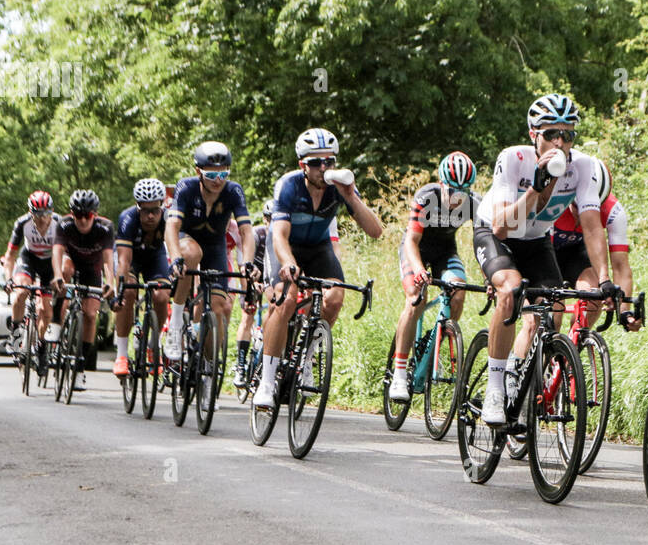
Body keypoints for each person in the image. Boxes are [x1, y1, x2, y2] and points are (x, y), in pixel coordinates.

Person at [473, 94, 614, 426]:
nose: (560, 142)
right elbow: (502, 227)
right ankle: (495, 388)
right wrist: (536, 190)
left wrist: (605, 279)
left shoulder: (582, 167)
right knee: (510, 290)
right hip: (496, 234)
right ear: (533, 134)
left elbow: (593, 228)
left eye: (568, 135)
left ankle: (521, 383)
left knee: (552, 309)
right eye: (552, 134)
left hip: (537, 241)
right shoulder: (514, 159)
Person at [251, 128, 384, 412]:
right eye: (316, 163)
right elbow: (279, 236)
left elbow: (375, 232)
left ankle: (307, 357)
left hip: (318, 248)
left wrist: (351, 196)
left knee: (335, 298)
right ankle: (266, 380)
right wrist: (287, 262)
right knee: (284, 300)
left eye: (330, 162)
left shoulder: (339, 187)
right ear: (303, 166)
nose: (324, 168)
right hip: (288, 247)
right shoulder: (288, 186)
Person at [388, 151, 481, 402]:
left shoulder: (474, 202)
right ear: (442, 185)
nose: (457, 197)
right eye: (452, 191)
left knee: (458, 290)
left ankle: (439, 337)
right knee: (416, 297)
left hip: (445, 252)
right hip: (415, 249)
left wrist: (488, 276)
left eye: (463, 191)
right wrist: (419, 270)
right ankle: (398, 373)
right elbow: (412, 240)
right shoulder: (426, 197)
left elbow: (483, 243)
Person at [163, 141, 257, 362]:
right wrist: (176, 257)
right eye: (212, 175)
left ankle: (206, 364)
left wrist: (249, 263)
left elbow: (246, 232)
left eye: (223, 175)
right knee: (191, 254)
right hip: (186, 239)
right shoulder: (186, 187)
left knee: (217, 306)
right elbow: (172, 226)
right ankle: (176, 325)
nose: (218, 181)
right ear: (198, 172)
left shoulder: (233, 190)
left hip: (215, 245)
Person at [551, 158, 643, 332]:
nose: (586, 215)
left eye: (595, 209)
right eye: (580, 208)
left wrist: (624, 311)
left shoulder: (614, 212)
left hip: (575, 254)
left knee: (594, 295)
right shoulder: (555, 205)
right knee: (553, 311)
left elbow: (621, 267)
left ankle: (572, 350)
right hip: (545, 253)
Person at [50, 189, 116, 390]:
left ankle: (79, 367)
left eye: (87, 216)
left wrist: (110, 282)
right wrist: (57, 276)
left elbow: (107, 261)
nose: (82, 221)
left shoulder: (105, 228)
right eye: (78, 215)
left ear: (94, 215)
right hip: (71, 261)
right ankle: (55, 322)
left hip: (92, 268)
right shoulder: (64, 224)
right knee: (65, 269)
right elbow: (57, 252)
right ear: (72, 213)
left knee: (90, 314)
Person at [112, 178, 171, 378]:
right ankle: (121, 355)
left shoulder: (168, 219)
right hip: (131, 258)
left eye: (155, 209)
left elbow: (175, 253)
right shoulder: (128, 219)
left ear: (162, 206)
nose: (150, 216)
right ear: (138, 207)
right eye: (145, 210)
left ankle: (154, 343)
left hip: (155, 257)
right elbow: (123, 262)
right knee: (129, 291)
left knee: (162, 296)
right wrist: (119, 292)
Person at [3, 191, 58, 363]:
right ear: (30, 212)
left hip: (50, 263)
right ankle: (16, 332)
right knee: (20, 293)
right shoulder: (22, 223)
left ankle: (41, 344)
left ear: (52, 211)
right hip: (29, 259)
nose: (42, 218)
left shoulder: (60, 223)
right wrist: (9, 279)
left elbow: (65, 253)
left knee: (46, 310)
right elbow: (10, 255)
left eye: (46, 213)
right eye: (37, 213)